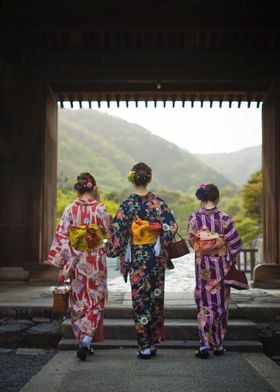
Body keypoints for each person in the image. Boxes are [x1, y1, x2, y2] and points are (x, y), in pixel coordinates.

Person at [107, 162, 177, 359]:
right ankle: (153, 342)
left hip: (137, 257)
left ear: (132, 178)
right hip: (155, 258)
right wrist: (157, 231)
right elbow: (171, 228)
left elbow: (117, 233)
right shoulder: (159, 204)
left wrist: (111, 250)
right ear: (149, 178)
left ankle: (144, 345)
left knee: (140, 300)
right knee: (155, 298)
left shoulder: (127, 205)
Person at [47, 172, 111, 361]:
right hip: (96, 259)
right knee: (96, 298)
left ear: (78, 188)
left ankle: (83, 338)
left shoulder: (69, 210)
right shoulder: (100, 209)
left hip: (76, 259)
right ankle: (87, 339)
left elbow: (62, 237)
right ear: (93, 188)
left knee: (79, 300)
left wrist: (63, 264)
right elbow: (109, 232)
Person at [187, 183, 242, 359]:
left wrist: (205, 247)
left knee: (204, 302)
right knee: (221, 303)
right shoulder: (225, 218)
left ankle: (204, 344)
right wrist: (227, 256)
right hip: (221, 266)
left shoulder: (194, 218)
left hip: (202, 266)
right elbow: (235, 243)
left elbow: (193, 243)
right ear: (217, 198)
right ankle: (218, 344)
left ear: (201, 198)